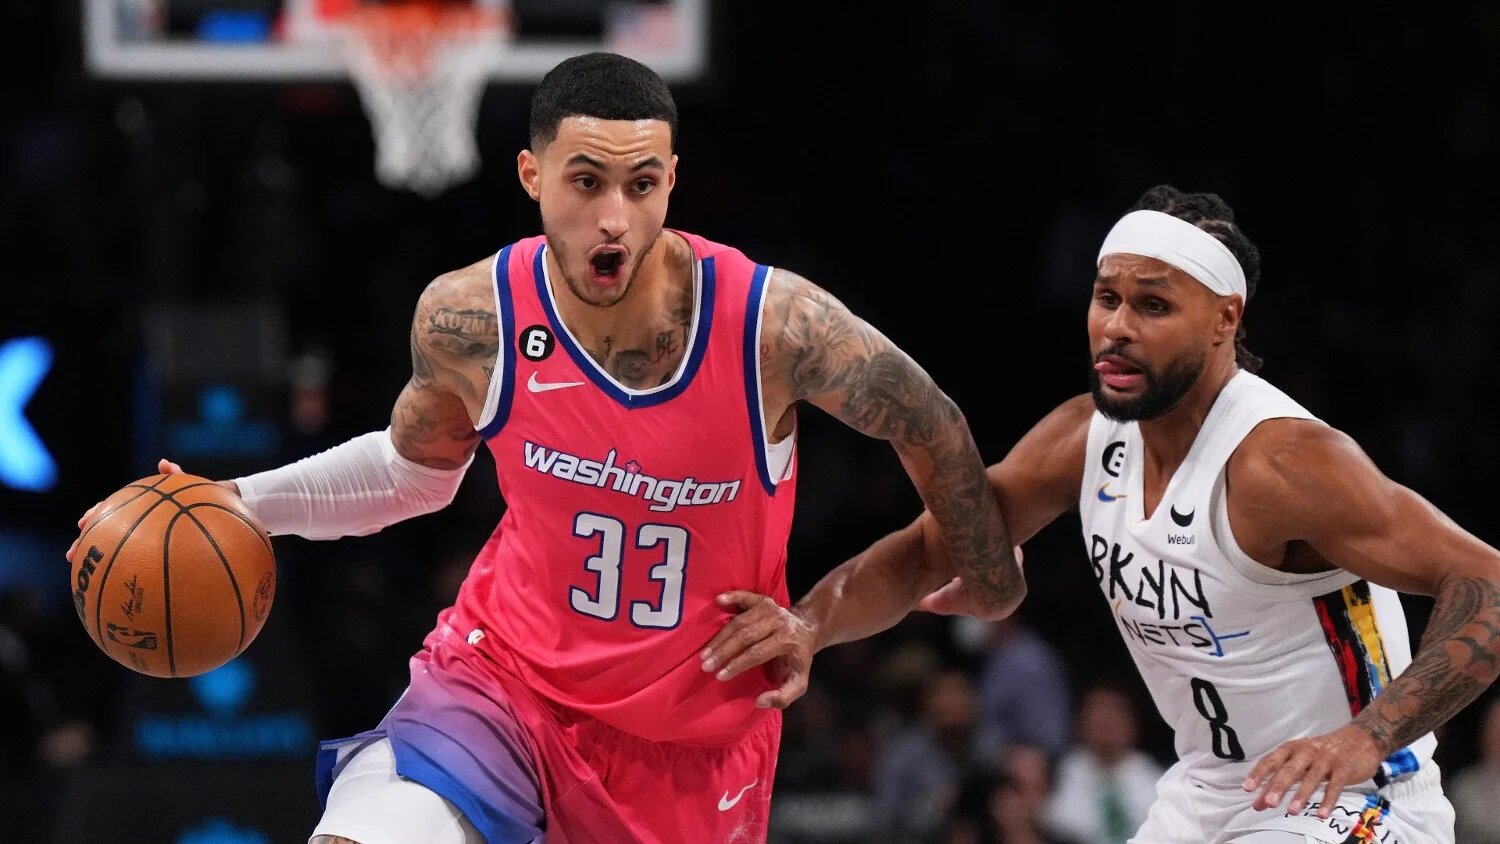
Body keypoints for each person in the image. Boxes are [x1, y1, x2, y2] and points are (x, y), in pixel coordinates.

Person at [69, 52, 1023, 843]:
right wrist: (241, 501)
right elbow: (413, 476)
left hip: (689, 746)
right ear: (533, 177)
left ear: (671, 185)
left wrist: (975, 574)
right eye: (587, 181)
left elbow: (928, 419)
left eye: (642, 185)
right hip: (503, 683)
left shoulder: (774, 329)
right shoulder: (471, 317)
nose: (615, 216)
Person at [731, 184, 1496, 842]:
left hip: (1356, 798)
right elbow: (935, 547)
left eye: (1154, 306)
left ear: (1225, 319)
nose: (1118, 327)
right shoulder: (1081, 440)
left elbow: (1486, 582)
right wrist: (809, 625)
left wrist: (1370, 736)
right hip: (1205, 793)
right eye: (1107, 298)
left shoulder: (1283, 465)